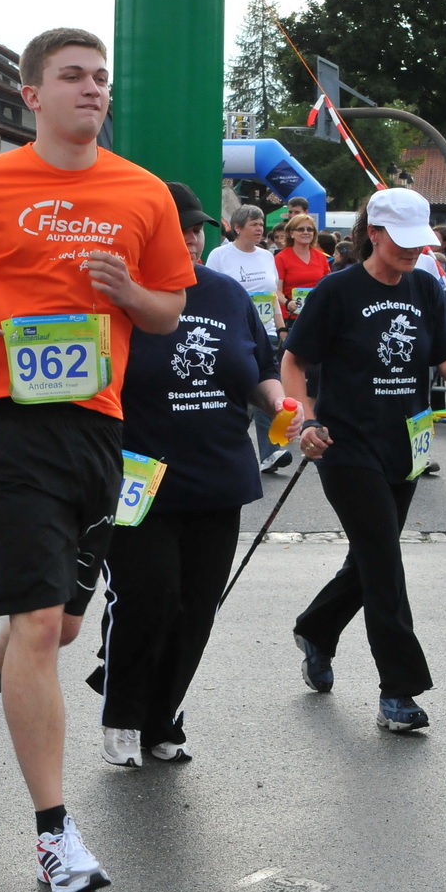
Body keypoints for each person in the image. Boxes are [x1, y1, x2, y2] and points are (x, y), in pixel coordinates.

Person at [0, 27, 194, 892]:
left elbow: (169, 306)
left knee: (58, 627)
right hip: (4, 420)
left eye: (100, 77)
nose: (92, 88)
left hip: (98, 427)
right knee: (39, 629)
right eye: (72, 76)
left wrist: (125, 293)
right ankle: (55, 834)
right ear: (31, 95)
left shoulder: (141, 192)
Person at [283, 188, 446, 734]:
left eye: (421, 242)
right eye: (403, 242)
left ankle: (317, 629)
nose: (414, 251)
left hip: (407, 441)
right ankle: (399, 690)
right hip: (344, 445)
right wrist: (305, 419)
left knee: (370, 554)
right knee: (384, 560)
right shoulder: (337, 291)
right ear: (376, 233)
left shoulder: (425, 288)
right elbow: (294, 362)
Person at [88, 181, 294, 766]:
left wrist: (280, 404)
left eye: (195, 228)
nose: (189, 239)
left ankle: (162, 716)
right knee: (148, 596)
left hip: (217, 474)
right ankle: (123, 714)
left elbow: (256, 365)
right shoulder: (114, 296)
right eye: (174, 230)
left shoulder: (227, 294)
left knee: (198, 604)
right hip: (136, 476)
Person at [206, 204, 287, 472]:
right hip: (233, 332)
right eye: (253, 223)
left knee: (267, 385)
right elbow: (212, 293)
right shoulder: (220, 256)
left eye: (261, 223)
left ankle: (270, 453)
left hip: (266, 333)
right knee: (239, 392)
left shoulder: (267, 256)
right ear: (238, 228)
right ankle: (229, 448)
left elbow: (273, 296)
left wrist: (281, 327)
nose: (259, 227)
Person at [274, 212, 328, 325]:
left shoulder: (321, 257)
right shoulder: (281, 258)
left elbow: (328, 286)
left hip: (317, 315)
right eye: (301, 229)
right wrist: (287, 303)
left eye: (309, 229)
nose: (306, 232)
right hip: (291, 317)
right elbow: (276, 290)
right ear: (291, 233)